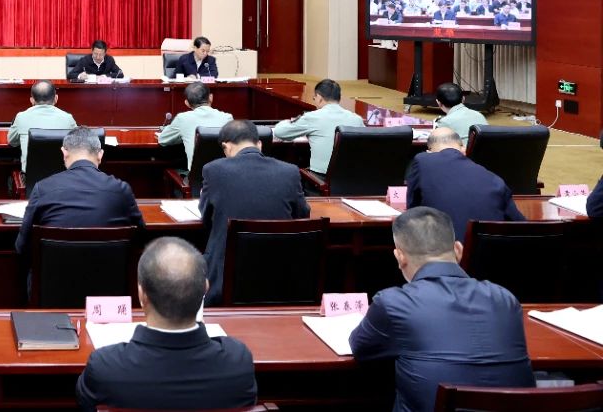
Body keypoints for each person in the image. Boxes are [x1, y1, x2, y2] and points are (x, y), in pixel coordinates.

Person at [350, 207, 534, 412]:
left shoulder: (393, 303)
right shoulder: (505, 299)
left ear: (400, 257)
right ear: (458, 250)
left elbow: (360, 348)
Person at [76, 237, 257, 411]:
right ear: (205, 288)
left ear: (142, 294)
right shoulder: (238, 362)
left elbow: (85, 403)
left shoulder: (105, 367)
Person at [200, 120, 309, 305]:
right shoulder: (290, 171)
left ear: (226, 147)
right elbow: (302, 216)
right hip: (281, 275)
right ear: (259, 144)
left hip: (226, 280)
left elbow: (205, 216)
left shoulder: (213, 170)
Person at [15, 127, 144, 255]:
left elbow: (22, 247)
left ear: (64, 153)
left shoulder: (42, 189)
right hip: (110, 268)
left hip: (55, 268)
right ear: (100, 155)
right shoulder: (121, 190)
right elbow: (141, 240)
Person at [407, 127, 523, 239]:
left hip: (442, 248)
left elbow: (412, 213)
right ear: (463, 149)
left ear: (429, 152)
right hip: (488, 250)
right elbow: (521, 225)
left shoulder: (422, 160)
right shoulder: (495, 180)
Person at [271, 79, 365, 177]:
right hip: (353, 178)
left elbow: (279, 132)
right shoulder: (357, 119)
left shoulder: (312, 117)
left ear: (319, 98)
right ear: (339, 98)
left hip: (321, 180)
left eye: (314, 98)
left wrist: (290, 121)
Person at [158, 82, 233, 170]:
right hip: (224, 175)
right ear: (211, 97)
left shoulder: (183, 118)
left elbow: (163, 140)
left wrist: (182, 135)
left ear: (187, 103)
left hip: (197, 177)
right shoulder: (227, 118)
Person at [7, 81, 77, 173]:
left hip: (30, 179)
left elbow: (12, 142)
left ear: (32, 100)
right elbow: (77, 145)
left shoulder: (21, 117)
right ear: (56, 98)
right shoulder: (68, 118)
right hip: (61, 177)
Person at [433, 82, 487, 147]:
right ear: (463, 99)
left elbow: (438, 145)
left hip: (463, 153)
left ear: (438, 103)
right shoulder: (479, 115)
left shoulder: (445, 122)